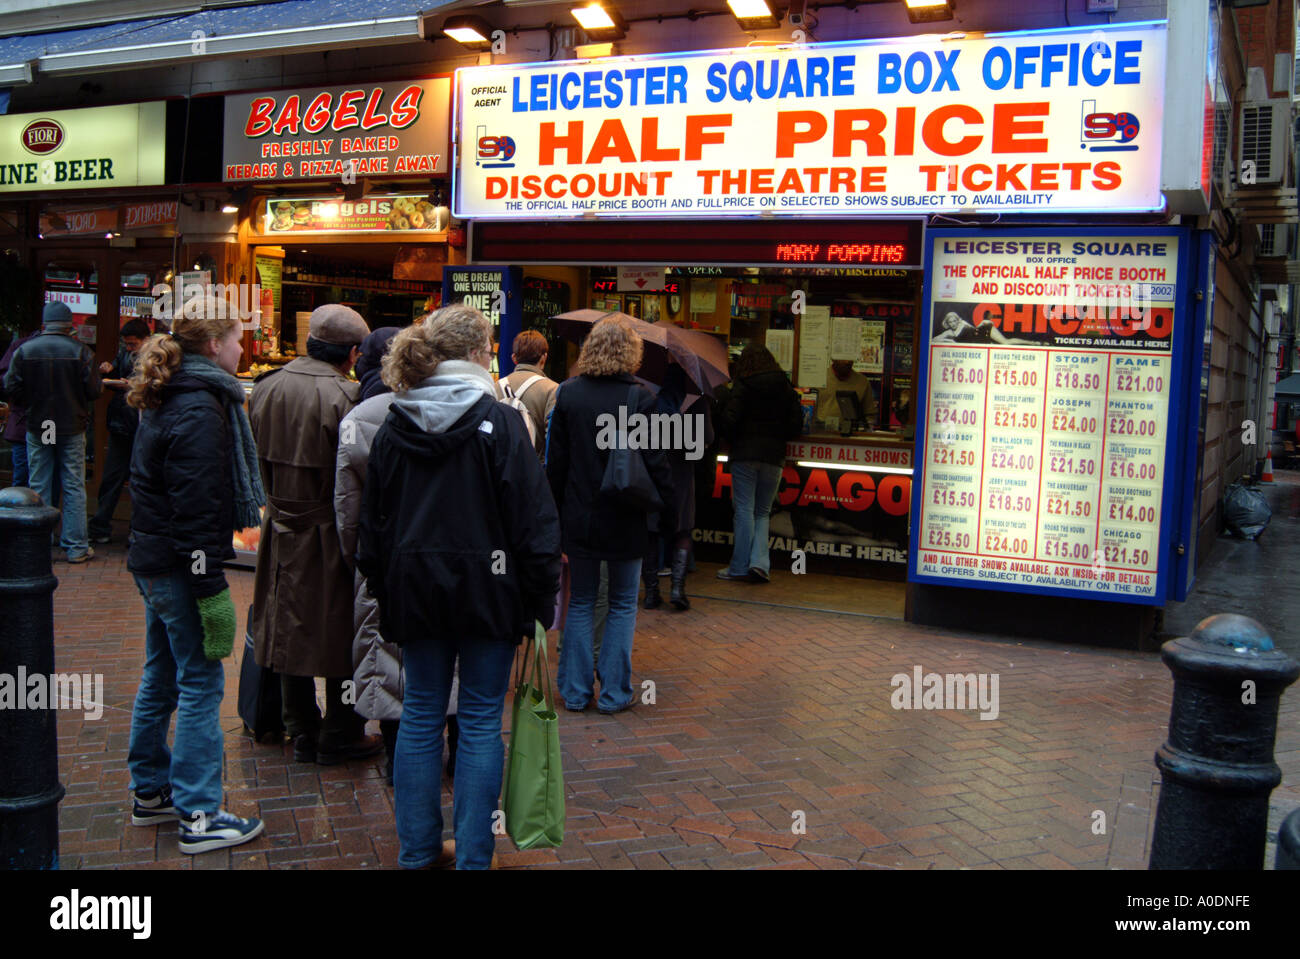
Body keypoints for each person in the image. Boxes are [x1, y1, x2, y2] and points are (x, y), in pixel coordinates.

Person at [357, 304, 561, 870]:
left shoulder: (395, 423)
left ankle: (417, 851)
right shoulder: (500, 422)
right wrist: (539, 601)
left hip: (415, 587)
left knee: (420, 713)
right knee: (476, 720)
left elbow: (372, 522)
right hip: (489, 592)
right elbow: (533, 521)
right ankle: (474, 854)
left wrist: (382, 582)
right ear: (480, 352)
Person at [124, 297, 266, 854]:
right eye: (235, 339)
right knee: (203, 682)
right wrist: (210, 587)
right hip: (181, 566)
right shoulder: (202, 407)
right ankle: (200, 814)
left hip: (154, 559)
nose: (241, 348)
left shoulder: (175, 391)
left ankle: (151, 790)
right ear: (213, 345)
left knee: (162, 673)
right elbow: (196, 504)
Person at [249, 304, 383, 766]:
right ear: (352, 353)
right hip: (329, 530)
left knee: (287, 624)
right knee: (336, 633)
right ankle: (341, 730)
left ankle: (299, 724)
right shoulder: (348, 398)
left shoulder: (265, 388)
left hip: (279, 526)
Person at [335, 326, 460, 787]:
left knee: (388, 663)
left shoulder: (364, 416)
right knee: (455, 666)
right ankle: (457, 755)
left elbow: (347, 507)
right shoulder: (477, 413)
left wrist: (361, 560)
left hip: (388, 561)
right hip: (455, 563)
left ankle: (398, 760)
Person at [546, 316, 673, 713]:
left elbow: (556, 466)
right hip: (626, 514)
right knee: (621, 604)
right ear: (631, 353)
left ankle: (575, 691)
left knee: (581, 602)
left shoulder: (568, 395)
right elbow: (656, 462)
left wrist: (553, 520)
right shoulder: (642, 399)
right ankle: (616, 693)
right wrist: (666, 509)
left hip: (580, 516)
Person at [3, 302, 102, 562]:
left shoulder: (25, 350)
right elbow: (94, 391)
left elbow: (11, 387)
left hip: (39, 423)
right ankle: (76, 546)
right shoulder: (81, 351)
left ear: (45, 323)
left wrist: (29, 402)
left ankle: (38, 545)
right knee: (73, 484)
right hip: (70, 424)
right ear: (69, 325)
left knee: (39, 483)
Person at [715, 343, 802, 584]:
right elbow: (796, 423)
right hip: (774, 456)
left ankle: (739, 566)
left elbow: (730, 420)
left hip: (745, 454)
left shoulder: (743, 384)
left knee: (743, 510)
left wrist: (732, 437)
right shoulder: (783, 385)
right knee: (763, 512)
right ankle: (760, 564)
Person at [643, 361, 713, 611]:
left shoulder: (649, 401)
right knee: (682, 530)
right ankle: (677, 589)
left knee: (651, 532)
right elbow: (706, 441)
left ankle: (651, 593)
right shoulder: (697, 402)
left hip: (652, 474)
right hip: (682, 475)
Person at [89, 319, 150, 543]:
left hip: (141, 424)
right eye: (127, 344)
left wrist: (132, 385)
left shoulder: (155, 357)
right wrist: (108, 367)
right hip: (122, 421)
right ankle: (100, 526)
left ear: (146, 340)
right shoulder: (125, 354)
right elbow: (114, 364)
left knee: (140, 480)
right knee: (112, 477)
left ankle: (137, 530)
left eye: (133, 344)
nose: (129, 348)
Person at [497, 329, 558, 460]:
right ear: (544, 358)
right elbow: (553, 441)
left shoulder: (495, 387)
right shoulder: (552, 389)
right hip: (534, 471)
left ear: (514, 358)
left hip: (498, 471)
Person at [0, 315, 40, 487]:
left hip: (28, 418)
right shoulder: (21, 346)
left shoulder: (21, 346)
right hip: (46, 419)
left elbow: (6, 382)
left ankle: (20, 511)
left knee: (27, 472)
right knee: (42, 470)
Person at [816, 359, 877, 429]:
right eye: (843, 358)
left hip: (851, 435)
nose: (847, 362)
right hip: (821, 433)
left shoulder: (862, 381)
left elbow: (869, 414)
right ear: (833, 358)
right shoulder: (819, 377)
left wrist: (867, 431)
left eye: (850, 358)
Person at [932, 311, 1033, 345]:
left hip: (982, 333)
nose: (953, 323)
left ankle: (1034, 343)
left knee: (1006, 342)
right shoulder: (948, 332)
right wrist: (950, 342)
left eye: (955, 320)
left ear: (957, 320)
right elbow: (934, 340)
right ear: (948, 323)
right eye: (950, 322)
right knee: (1002, 347)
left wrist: (982, 323)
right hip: (980, 342)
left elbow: (974, 329)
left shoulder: (962, 323)